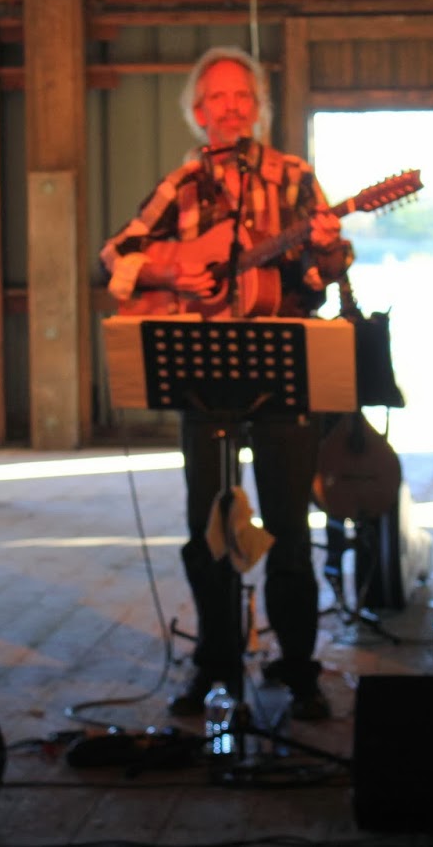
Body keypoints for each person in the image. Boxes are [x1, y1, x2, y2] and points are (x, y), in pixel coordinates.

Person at [100, 46, 352, 721]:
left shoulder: (296, 177)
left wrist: (326, 247)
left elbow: (324, 276)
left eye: (242, 97)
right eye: (216, 99)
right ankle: (215, 665)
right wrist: (173, 271)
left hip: (282, 378)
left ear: (259, 107)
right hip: (204, 379)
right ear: (197, 111)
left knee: (291, 533)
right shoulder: (181, 185)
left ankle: (298, 669)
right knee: (205, 532)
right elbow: (115, 256)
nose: (230, 108)